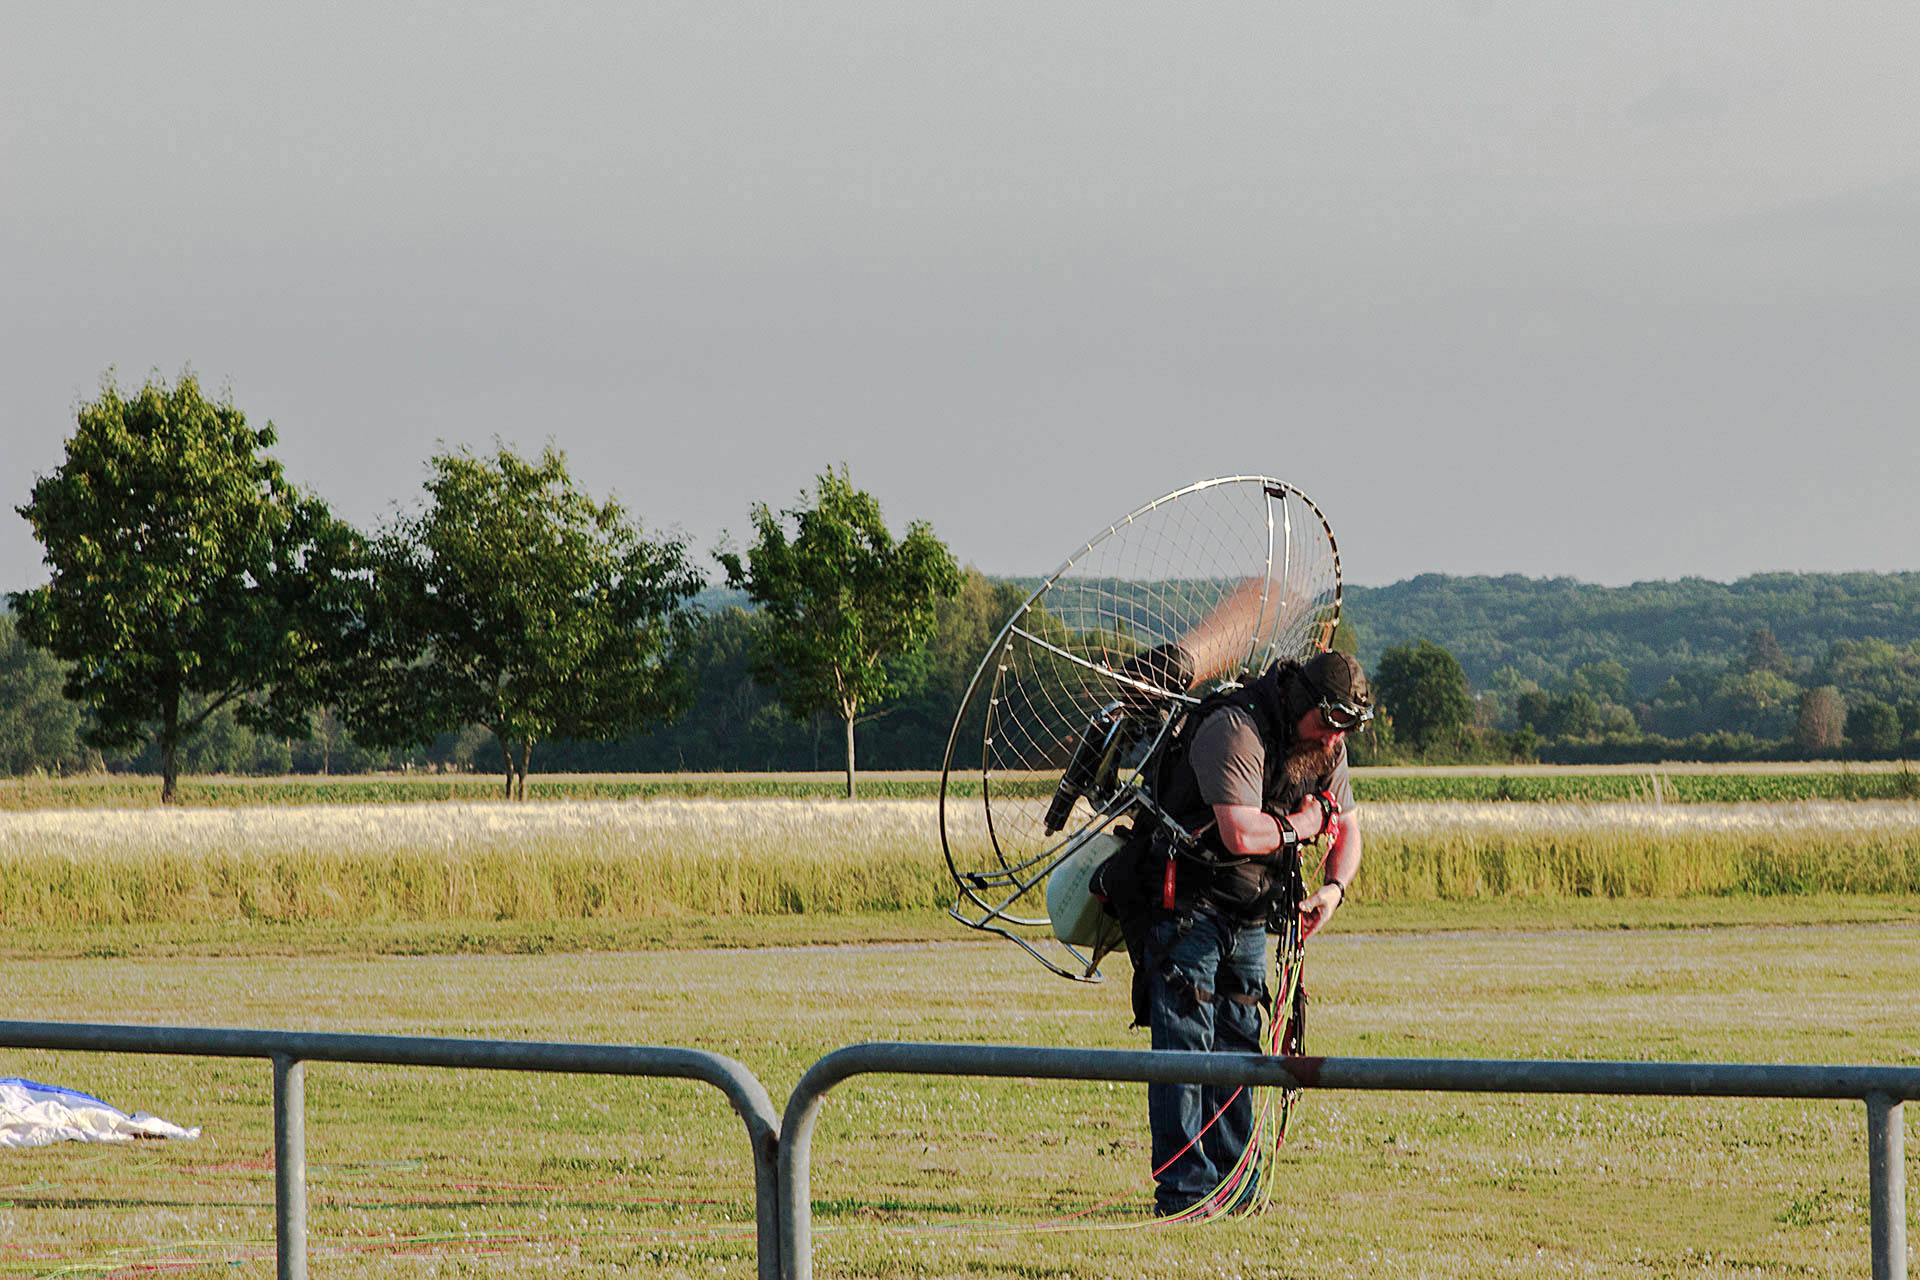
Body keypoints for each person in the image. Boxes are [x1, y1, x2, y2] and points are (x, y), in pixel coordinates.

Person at [1098, 644, 1371, 1217]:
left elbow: (1346, 827)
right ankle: (1185, 1192)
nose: (1330, 742)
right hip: (1185, 906)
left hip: (1250, 912)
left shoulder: (1327, 743)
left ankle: (1235, 1188)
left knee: (1243, 1045)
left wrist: (1334, 889)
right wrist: (1305, 825)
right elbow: (1240, 833)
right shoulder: (1235, 727)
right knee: (1187, 1046)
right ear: (1301, 703)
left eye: (1341, 733)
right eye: (1324, 726)